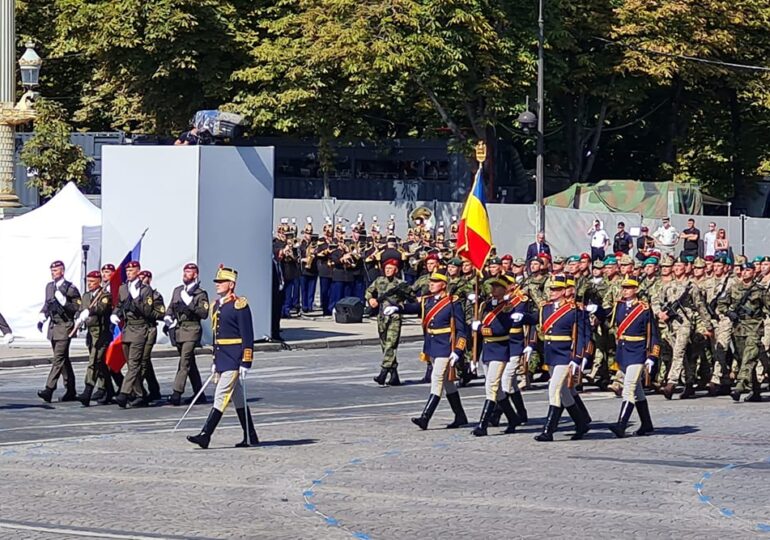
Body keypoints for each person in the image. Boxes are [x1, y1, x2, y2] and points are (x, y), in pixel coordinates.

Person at [187, 265, 258, 449]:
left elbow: (247, 335)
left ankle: (205, 435)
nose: (217, 285)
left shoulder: (239, 305)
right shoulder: (216, 305)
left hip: (234, 358)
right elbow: (216, 337)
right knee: (238, 398)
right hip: (222, 358)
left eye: (221, 282)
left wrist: (246, 361)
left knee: (221, 396)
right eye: (217, 282)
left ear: (231, 284)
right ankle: (250, 435)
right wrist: (214, 361)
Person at [390, 270, 469, 431]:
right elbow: (413, 307)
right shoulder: (428, 301)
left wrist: (458, 350)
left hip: (446, 347)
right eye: (430, 281)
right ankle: (460, 416)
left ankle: (425, 417)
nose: (431, 284)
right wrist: (397, 308)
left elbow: (462, 330)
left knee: (437, 378)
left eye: (435, 282)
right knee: (448, 383)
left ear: (443, 285)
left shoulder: (453, 303)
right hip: (433, 346)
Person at [516, 275, 591, 442]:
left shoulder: (574, 310)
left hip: (565, 354)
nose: (552, 292)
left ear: (564, 291)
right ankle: (581, 424)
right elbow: (536, 319)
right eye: (551, 289)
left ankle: (548, 430)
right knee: (564, 393)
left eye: (556, 289)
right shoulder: (546, 308)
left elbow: (580, 337)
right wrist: (522, 316)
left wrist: (577, 358)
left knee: (554, 389)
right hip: (551, 353)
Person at [603, 277, 658, 437]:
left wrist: (652, 356)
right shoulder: (619, 305)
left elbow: (653, 334)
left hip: (638, 352)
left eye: (629, 287)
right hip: (624, 351)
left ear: (636, 289)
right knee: (637, 391)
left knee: (628, 388)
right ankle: (647, 424)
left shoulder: (644, 308)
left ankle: (621, 424)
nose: (625, 290)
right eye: (624, 287)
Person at [469, 277, 522, 436]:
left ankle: (482, 424)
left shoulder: (508, 307)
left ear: (505, 290)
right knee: (497, 389)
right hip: (487, 349)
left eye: (498, 287)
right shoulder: (485, 305)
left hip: (500, 349)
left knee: (491, 385)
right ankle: (513, 418)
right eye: (492, 286)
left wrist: (481, 328)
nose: (494, 289)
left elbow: (501, 329)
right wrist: (474, 357)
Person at [718, 262, 767, 402]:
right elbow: (721, 304)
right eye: (743, 270)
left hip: (755, 326)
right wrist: (728, 313)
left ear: (753, 272)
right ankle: (756, 390)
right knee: (742, 359)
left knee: (749, 357)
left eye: (748, 270)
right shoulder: (733, 288)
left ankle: (739, 386)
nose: (745, 272)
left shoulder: (759, 290)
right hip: (738, 327)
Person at [110, 261, 155, 408]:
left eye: (132, 270)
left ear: (138, 271)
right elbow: (120, 305)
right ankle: (141, 394)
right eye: (127, 270)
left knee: (134, 364)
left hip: (140, 328)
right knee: (131, 364)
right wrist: (115, 314)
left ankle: (124, 394)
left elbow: (147, 311)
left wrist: (136, 299)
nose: (129, 272)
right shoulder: (124, 288)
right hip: (127, 329)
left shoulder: (145, 290)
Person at [37, 260, 82, 403]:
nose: (53, 273)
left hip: (65, 326)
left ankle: (49, 389)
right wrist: (42, 316)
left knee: (58, 359)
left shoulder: (70, 288)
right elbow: (47, 303)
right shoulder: (49, 287)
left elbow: (77, 308)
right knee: (63, 360)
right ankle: (71, 389)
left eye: (55, 270)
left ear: (62, 271)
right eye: (52, 270)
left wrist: (65, 303)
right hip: (53, 327)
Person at [165, 263, 210, 406]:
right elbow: (171, 307)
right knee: (190, 363)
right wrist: (168, 317)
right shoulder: (178, 290)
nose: (185, 274)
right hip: (178, 330)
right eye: (184, 271)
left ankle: (176, 393)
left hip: (192, 330)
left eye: (189, 272)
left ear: (195, 275)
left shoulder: (200, 294)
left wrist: (190, 303)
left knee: (184, 362)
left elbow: (203, 314)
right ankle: (199, 393)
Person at [366, 259, 413, 386]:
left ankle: (383, 372)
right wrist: (371, 300)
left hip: (394, 318)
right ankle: (394, 375)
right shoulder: (379, 280)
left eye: (391, 268)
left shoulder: (401, 284)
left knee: (390, 345)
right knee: (384, 345)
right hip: (381, 317)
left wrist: (401, 304)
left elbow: (412, 297)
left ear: (396, 270)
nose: (388, 270)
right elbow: (369, 291)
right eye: (386, 268)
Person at [73, 271, 113, 407]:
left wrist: (90, 311)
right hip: (90, 333)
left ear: (99, 281)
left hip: (101, 333)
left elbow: (101, 308)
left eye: (92, 281)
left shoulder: (105, 295)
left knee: (94, 361)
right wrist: (79, 318)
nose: (89, 284)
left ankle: (87, 390)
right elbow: (80, 309)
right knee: (100, 363)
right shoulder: (86, 296)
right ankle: (110, 390)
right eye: (88, 281)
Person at [138, 270, 165, 404]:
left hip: (149, 329)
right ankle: (154, 389)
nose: (142, 279)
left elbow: (160, 313)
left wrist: (145, 312)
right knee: (145, 361)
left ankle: (137, 390)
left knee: (143, 360)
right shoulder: (136, 294)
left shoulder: (155, 295)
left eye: (145, 277)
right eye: (140, 277)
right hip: (137, 330)